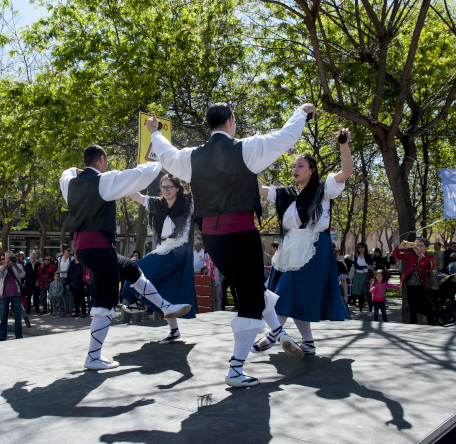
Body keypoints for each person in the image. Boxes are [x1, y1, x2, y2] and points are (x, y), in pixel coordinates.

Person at [149, 102, 314, 387]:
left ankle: (278, 332)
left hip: (213, 240)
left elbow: (167, 154)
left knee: (250, 288)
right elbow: (286, 137)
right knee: (249, 298)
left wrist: (155, 132)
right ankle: (236, 369)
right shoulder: (246, 148)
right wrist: (301, 112)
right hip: (240, 233)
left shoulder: (191, 157)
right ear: (231, 121)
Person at [60, 144, 191, 370]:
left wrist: (76, 170)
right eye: (107, 160)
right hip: (100, 249)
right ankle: (93, 356)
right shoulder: (104, 181)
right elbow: (138, 175)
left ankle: (165, 305)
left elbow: (67, 172)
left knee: (130, 268)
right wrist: (162, 163)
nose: (108, 164)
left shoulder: (69, 183)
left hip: (83, 249)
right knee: (105, 302)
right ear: (101, 159)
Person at [253, 125, 352, 357]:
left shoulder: (324, 189)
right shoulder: (286, 193)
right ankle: (307, 342)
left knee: (286, 292)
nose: (295, 169)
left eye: (301, 165)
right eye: (294, 166)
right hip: (289, 247)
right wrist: (252, 157)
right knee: (288, 294)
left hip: (314, 247)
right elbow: (257, 188)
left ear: (312, 170)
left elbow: (345, 172)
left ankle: (272, 334)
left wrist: (343, 144)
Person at [122, 174, 198, 342]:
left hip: (178, 251)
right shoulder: (157, 204)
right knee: (162, 291)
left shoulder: (188, 202)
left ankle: (137, 301)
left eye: (169, 187)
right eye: (163, 187)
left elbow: (202, 187)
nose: (165, 190)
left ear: (177, 188)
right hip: (165, 249)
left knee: (135, 269)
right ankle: (174, 330)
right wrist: (125, 180)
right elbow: (138, 197)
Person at [393, 238, 436, 325]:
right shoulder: (411, 256)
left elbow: (431, 266)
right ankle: (412, 327)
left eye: (421, 246)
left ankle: (432, 328)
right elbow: (396, 254)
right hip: (411, 286)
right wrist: (400, 247)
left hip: (424, 288)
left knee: (428, 310)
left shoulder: (430, 257)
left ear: (426, 247)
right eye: (418, 245)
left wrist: (421, 256)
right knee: (412, 311)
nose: (419, 247)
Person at [0, 251, 26, 341]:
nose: (9, 259)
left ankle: (19, 335)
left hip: (15, 293)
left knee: (17, 315)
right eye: (7, 257)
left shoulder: (19, 266)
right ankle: (2, 336)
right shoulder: (1, 267)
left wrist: (14, 265)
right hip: (4, 294)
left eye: (11, 257)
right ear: (4, 258)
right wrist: (5, 265)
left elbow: (22, 274)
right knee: (4, 316)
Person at [352, 243, 375, 315]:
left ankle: (370, 311)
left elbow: (370, 267)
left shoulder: (368, 256)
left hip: (367, 275)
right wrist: (365, 267)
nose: (360, 249)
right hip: (358, 275)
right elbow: (356, 266)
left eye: (362, 247)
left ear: (365, 248)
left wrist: (371, 277)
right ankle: (360, 310)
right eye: (359, 247)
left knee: (368, 293)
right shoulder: (356, 256)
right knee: (360, 293)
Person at [58, 246, 74, 317]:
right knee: (63, 294)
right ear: (64, 251)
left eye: (70, 250)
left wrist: (63, 271)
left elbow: (70, 270)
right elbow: (59, 269)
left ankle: (70, 310)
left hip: (68, 278)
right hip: (62, 278)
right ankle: (66, 309)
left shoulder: (71, 258)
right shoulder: (60, 258)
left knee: (70, 294)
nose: (69, 252)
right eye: (68, 250)